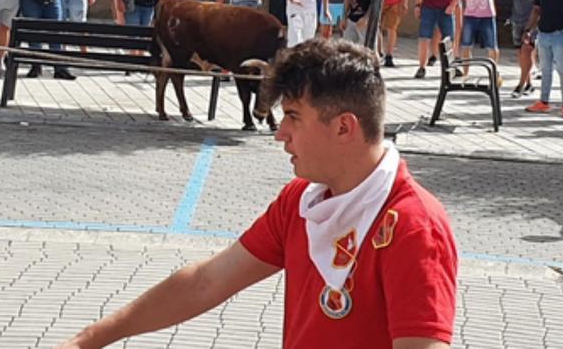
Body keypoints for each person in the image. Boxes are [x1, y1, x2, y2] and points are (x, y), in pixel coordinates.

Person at [60, 39, 458, 349]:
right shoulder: (301, 200)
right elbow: (206, 281)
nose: (280, 132)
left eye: (293, 117)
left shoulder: (414, 227)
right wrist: (92, 338)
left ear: (343, 127)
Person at [500, 0, 549, 98]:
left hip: (535, 18)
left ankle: (521, 84)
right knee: (521, 53)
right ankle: (529, 83)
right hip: (518, 16)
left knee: (527, 49)